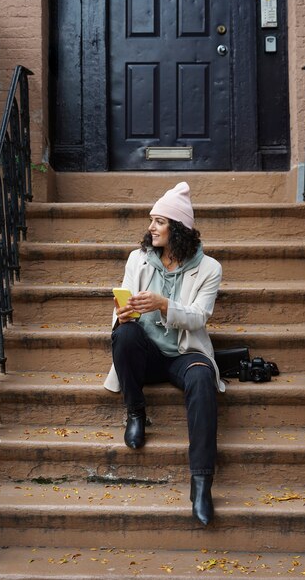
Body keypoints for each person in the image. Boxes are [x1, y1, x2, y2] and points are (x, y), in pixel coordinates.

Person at [104, 182, 224, 525]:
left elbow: (199, 316)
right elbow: (121, 304)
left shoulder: (209, 269)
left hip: (185, 353)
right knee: (124, 334)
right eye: (151, 220)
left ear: (178, 228)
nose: (151, 227)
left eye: (159, 221)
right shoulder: (137, 259)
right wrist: (122, 313)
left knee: (202, 377)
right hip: (147, 352)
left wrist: (163, 304)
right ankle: (136, 412)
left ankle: (201, 483)